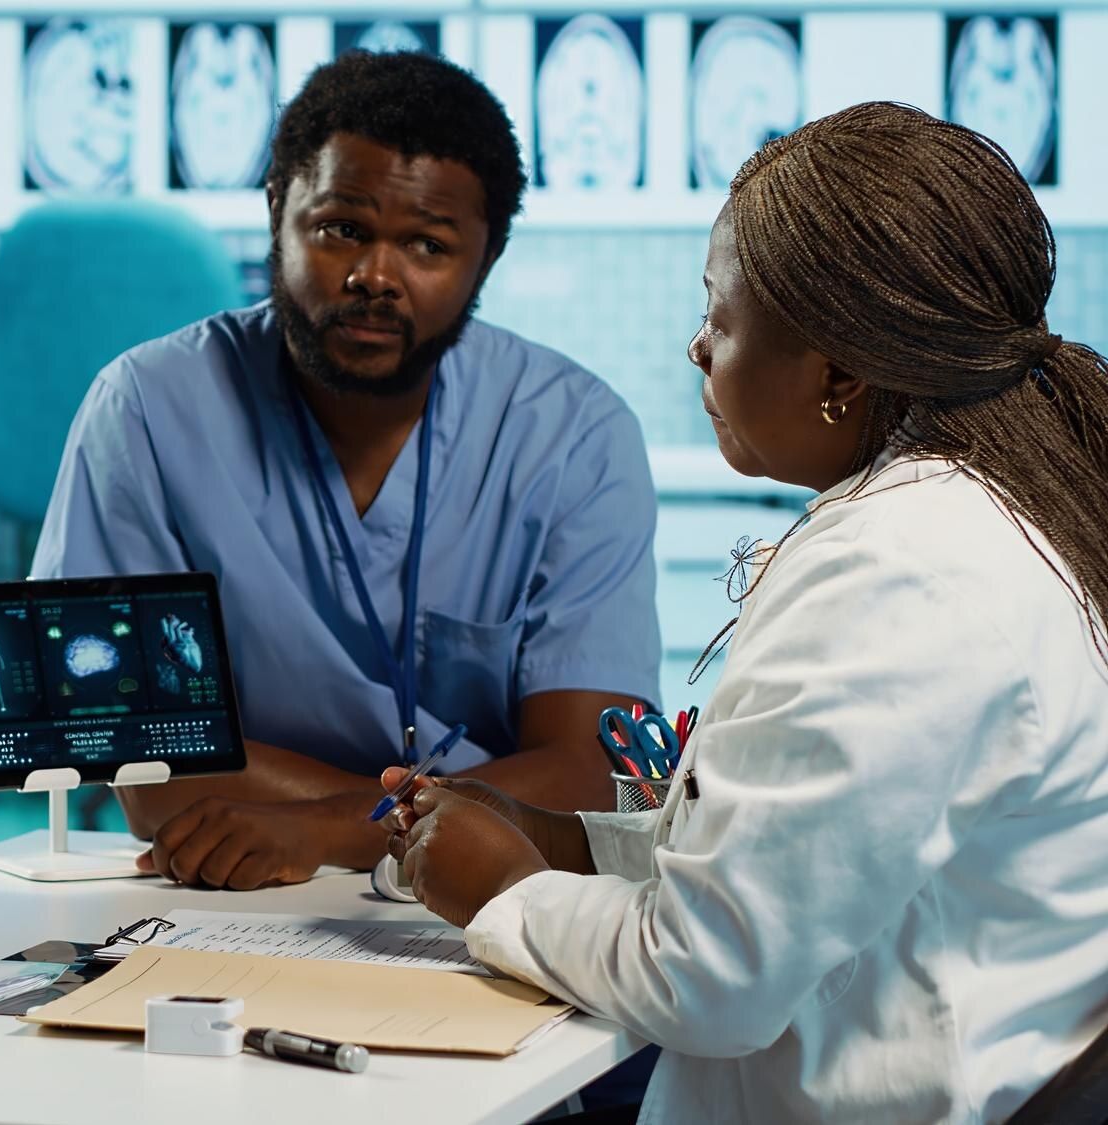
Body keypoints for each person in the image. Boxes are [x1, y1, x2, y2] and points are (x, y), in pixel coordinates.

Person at [383, 102, 1108, 1122]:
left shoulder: (898, 574)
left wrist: (504, 889)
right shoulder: (995, 514)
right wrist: (570, 842)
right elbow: (804, 853)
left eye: (719, 320)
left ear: (838, 372)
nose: (696, 349)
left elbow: (706, 976)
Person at [32, 51, 660, 890]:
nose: (375, 277)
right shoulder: (149, 408)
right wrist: (447, 809)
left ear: (487, 256)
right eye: (340, 230)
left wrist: (334, 825)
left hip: (494, 893)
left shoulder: (574, 435)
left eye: (428, 245)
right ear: (276, 209)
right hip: (232, 885)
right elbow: (144, 761)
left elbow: (594, 773)